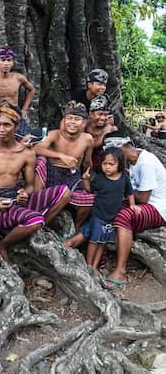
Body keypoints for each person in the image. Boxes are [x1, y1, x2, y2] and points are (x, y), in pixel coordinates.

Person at [0, 102, 70, 264]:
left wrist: (26, 193)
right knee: (35, 220)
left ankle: (32, 228)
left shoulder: (26, 153)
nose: (1, 129)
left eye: (6, 125)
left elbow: (30, 185)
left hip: (15, 199)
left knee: (64, 192)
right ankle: (4, 245)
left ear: (16, 127)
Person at [101, 132, 166, 289]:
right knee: (105, 207)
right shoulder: (131, 162)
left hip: (158, 207)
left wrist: (122, 192)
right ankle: (100, 257)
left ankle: (121, 270)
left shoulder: (146, 162)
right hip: (143, 203)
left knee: (124, 216)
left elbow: (143, 198)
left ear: (122, 148)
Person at [65, 147, 138, 275]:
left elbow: (129, 192)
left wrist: (132, 205)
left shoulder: (124, 177)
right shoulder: (100, 178)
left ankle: (92, 265)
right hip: (99, 216)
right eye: (105, 163)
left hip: (110, 218)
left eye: (111, 164)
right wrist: (86, 179)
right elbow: (89, 190)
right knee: (94, 241)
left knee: (101, 242)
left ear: (120, 164)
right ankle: (89, 266)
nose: (107, 167)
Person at [34, 100, 94, 229]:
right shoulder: (55, 135)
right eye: (69, 118)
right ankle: (36, 207)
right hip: (53, 173)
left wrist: (87, 176)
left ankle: (76, 227)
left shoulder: (87, 139)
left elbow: (88, 162)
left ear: (83, 122)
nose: (72, 122)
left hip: (73, 177)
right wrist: (60, 156)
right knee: (40, 162)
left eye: (77, 119)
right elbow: (36, 149)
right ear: (64, 120)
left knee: (89, 199)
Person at [0, 46, 35, 135]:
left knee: (22, 137)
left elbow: (32, 90)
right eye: (3, 60)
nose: (6, 63)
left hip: (15, 112)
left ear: (12, 63)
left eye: (9, 60)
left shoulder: (18, 78)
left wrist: (24, 109)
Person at [86, 94, 117, 172]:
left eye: (106, 115)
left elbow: (118, 153)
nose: (103, 118)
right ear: (91, 114)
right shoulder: (85, 125)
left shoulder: (111, 129)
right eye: (100, 114)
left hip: (104, 168)